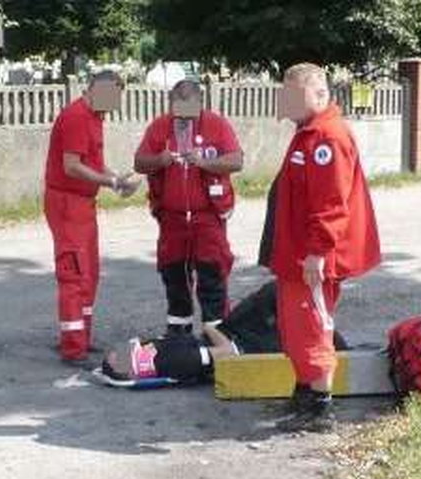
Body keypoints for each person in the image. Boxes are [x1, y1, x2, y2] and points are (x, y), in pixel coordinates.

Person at [258, 62, 381, 432]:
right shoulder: (309, 132)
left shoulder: (327, 137)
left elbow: (331, 203)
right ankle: (304, 395)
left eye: (295, 95)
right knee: (297, 328)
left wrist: (316, 252)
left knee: (312, 328)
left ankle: (318, 408)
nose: (288, 102)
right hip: (296, 253)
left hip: (311, 257)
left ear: (320, 94)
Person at [134, 80, 243, 336]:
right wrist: (159, 160)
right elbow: (139, 163)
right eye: (177, 110)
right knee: (174, 276)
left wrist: (205, 161)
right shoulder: (159, 127)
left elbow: (236, 161)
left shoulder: (217, 124)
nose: (182, 118)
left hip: (207, 216)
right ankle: (178, 335)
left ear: (199, 104)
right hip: (172, 218)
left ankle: (216, 337)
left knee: (211, 275)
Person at [44, 70, 137, 363]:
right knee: (74, 273)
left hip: (82, 203)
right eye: (113, 97)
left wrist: (115, 178)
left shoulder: (94, 117)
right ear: (96, 89)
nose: (114, 105)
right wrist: (109, 182)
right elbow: (71, 166)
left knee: (90, 272)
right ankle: (73, 348)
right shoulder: (77, 116)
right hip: (67, 203)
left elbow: (93, 163)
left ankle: (81, 337)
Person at [98, 281, 349, 385]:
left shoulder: (153, 349)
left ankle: (323, 328)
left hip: (228, 333)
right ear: (132, 367)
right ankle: (333, 345)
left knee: (277, 290)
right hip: (243, 351)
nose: (115, 353)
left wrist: (213, 329)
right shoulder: (169, 360)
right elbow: (227, 354)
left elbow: (212, 334)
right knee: (299, 332)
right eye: (115, 358)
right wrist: (213, 330)